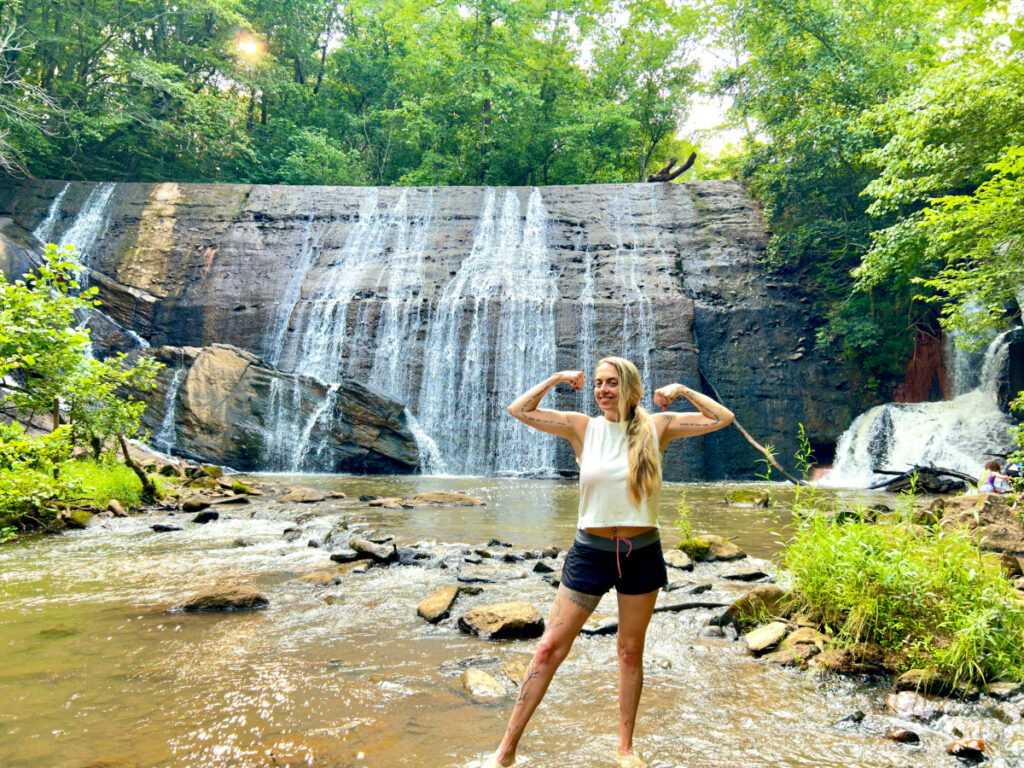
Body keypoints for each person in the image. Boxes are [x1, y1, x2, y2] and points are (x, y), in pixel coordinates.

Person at [482, 357, 734, 768]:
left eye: (612, 383)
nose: (603, 390)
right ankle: (505, 751)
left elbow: (722, 418)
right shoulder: (582, 427)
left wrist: (681, 391)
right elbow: (519, 410)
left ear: (630, 387)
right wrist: (557, 379)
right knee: (547, 649)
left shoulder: (657, 427)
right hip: (590, 554)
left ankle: (625, 749)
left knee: (630, 652)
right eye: (598, 383)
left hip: (641, 555)